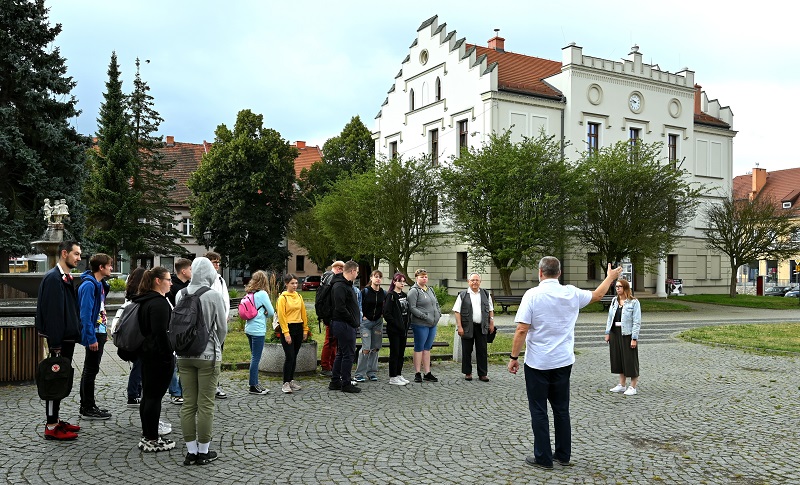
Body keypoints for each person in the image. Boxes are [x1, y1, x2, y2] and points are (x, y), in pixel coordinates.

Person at [508, 257, 622, 469]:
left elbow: (522, 329)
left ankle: (543, 457)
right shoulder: (571, 292)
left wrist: (514, 357)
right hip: (562, 360)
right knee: (561, 409)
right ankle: (562, 454)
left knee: (539, 410)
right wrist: (610, 277)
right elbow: (598, 295)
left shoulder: (532, 295)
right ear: (559, 273)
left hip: (538, 362)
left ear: (540, 272)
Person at [176, 257, 227, 465]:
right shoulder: (213, 295)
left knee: (188, 404)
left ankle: (191, 452)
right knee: (205, 404)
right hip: (208, 355)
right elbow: (222, 328)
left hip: (183, 355)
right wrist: (216, 345)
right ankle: (204, 451)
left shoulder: (181, 293)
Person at [35, 240, 82, 440]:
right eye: (76, 254)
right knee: (54, 380)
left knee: (60, 378)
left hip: (66, 339)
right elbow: (53, 314)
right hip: (59, 341)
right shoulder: (54, 279)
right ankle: (52, 426)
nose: (79, 258)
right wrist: (55, 344)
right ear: (64, 253)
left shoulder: (64, 277)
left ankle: (56, 419)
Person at [133, 267, 176, 452]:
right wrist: (168, 355)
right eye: (168, 279)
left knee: (148, 396)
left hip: (147, 353)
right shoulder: (159, 303)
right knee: (154, 398)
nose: (171, 283)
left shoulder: (145, 300)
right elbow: (160, 333)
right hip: (158, 356)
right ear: (158, 281)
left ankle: (147, 435)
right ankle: (152, 439)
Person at [77, 253, 113, 420]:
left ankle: (87, 405)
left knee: (91, 369)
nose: (111, 268)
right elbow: (85, 315)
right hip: (94, 333)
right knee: (90, 370)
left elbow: (100, 309)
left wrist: (103, 333)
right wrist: (91, 338)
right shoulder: (89, 286)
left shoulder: (98, 284)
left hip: (99, 332)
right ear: (101, 267)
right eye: (109, 265)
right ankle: (88, 407)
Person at [111, 267, 146, 407]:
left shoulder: (129, 295)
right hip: (137, 338)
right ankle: (133, 395)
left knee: (137, 366)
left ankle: (136, 392)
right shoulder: (139, 298)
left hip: (129, 338)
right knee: (139, 365)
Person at [328, 260, 361, 393]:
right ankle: (346, 383)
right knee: (348, 354)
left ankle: (335, 381)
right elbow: (340, 308)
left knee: (342, 353)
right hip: (343, 324)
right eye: (357, 272)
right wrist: (352, 321)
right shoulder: (340, 286)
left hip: (344, 323)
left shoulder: (345, 284)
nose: (357, 274)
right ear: (352, 271)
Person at [454, 273, 495, 382]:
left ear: (480, 282)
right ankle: (468, 372)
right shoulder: (463, 295)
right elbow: (457, 311)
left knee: (482, 350)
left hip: (482, 326)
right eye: (472, 280)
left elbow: (491, 309)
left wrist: (491, 322)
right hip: (467, 326)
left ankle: (483, 373)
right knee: (467, 350)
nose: (475, 282)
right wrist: (459, 326)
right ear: (468, 282)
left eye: (477, 280)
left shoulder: (486, 294)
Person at [604, 278, 641, 396]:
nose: (617, 288)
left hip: (627, 333)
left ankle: (633, 386)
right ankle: (622, 384)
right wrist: (607, 332)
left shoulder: (633, 302)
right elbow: (610, 317)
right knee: (618, 358)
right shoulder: (614, 301)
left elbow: (637, 321)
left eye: (619, 286)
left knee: (630, 360)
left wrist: (634, 338)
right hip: (615, 332)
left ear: (625, 288)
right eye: (616, 286)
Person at [276, 273, 311, 394]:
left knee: (294, 355)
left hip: (298, 327)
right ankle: (285, 382)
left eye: (296, 283)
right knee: (289, 356)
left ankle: (291, 380)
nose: (295, 285)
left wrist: (305, 329)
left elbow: (303, 313)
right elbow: (282, 316)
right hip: (288, 327)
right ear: (286, 284)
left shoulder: (299, 296)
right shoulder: (283, 298)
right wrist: (286, 333)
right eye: (292, 283)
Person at [243, 270, 275, 395]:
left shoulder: (249, 293)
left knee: (254, 357)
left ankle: (255, 383)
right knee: (256, 358)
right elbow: (271, 312)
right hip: (258, 330)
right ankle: (253, 385)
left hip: (249, 328)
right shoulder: (262, 294)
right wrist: (265, 314)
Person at [166, 257, 192, 405]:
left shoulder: (190, 285)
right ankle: (175, 392)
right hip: (174, 327)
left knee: (185, 361)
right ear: (183, 271)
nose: (192, 272)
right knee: (173, 362)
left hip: (187, 327)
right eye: (190, 269)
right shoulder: (172, 286)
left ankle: (183, 390)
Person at [408, 269, 442, 383]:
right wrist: (424, 316)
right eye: (422, 277)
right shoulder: (414, 291)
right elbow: (412, 308)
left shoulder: (430, 289)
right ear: (416, 278)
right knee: (419, 347)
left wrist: (439, 313)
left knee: (427, 348)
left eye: (426, 277)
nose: (424, 279)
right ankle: (417, 373)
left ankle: (427, 372)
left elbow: (436, 303)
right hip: (420, 324)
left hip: (432, 323)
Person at [204, 251, 229, 399]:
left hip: (219, 325)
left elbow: (225, 300)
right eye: (215, 262)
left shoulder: (220, 280)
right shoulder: (203, 280)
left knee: (217, 356)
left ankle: (215, 384)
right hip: (207, 325)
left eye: (218, 262)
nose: (217, 265)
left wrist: (225, 317)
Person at [355, 270, 386, 382]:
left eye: (380, 277)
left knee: (375, 347)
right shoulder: (365, 291)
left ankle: (371, 372)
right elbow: (358, 304)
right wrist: (362, 315)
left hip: (377, 323)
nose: (378, 279)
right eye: (376, 276)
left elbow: (386, 305)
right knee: (366, 348)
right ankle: (359, 374)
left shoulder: (383, 293)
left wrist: (382, 313)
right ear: (371, 278)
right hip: (366, 323)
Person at [383, 273, 411, 386]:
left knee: (401, 353)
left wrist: (406, 324)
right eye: (400, 281)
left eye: (404, 281)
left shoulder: (404, 295)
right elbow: (387, 313)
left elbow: (407, 311)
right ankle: (393, 376)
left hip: (403, 329)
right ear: (394, 282)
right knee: (395, 352)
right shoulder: (391, 296)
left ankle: (398, 374)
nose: (402, 283)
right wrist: (396, 324)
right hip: (394, 330)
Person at [319, 260, 345, 376]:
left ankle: (331, 365)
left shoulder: (325, 278)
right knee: (330, 341)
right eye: (342, 270)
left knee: (332, 341)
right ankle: (326, 366)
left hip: (328, 314)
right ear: (339, 268)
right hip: (331, 315)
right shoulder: (332, 279)